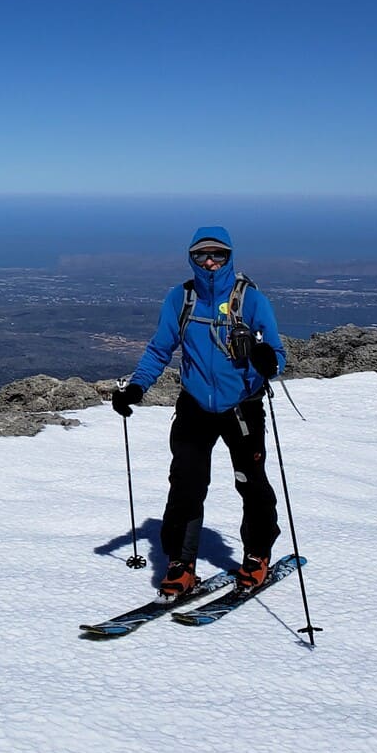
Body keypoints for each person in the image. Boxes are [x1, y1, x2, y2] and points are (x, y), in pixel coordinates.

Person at [109, 227, 286, 597]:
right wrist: (138, 387)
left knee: (250, 482)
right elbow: (160, 349)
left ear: (229, 256)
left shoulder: (251, 301)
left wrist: (268, 361)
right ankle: (180, 564)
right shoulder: (181, 299)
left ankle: (257, 555)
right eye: (202, 255)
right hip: (194, 407)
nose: (210, 261)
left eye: (218, 254)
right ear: (191, 257)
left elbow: (276, 355)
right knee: (186, 484)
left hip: (242, 407)